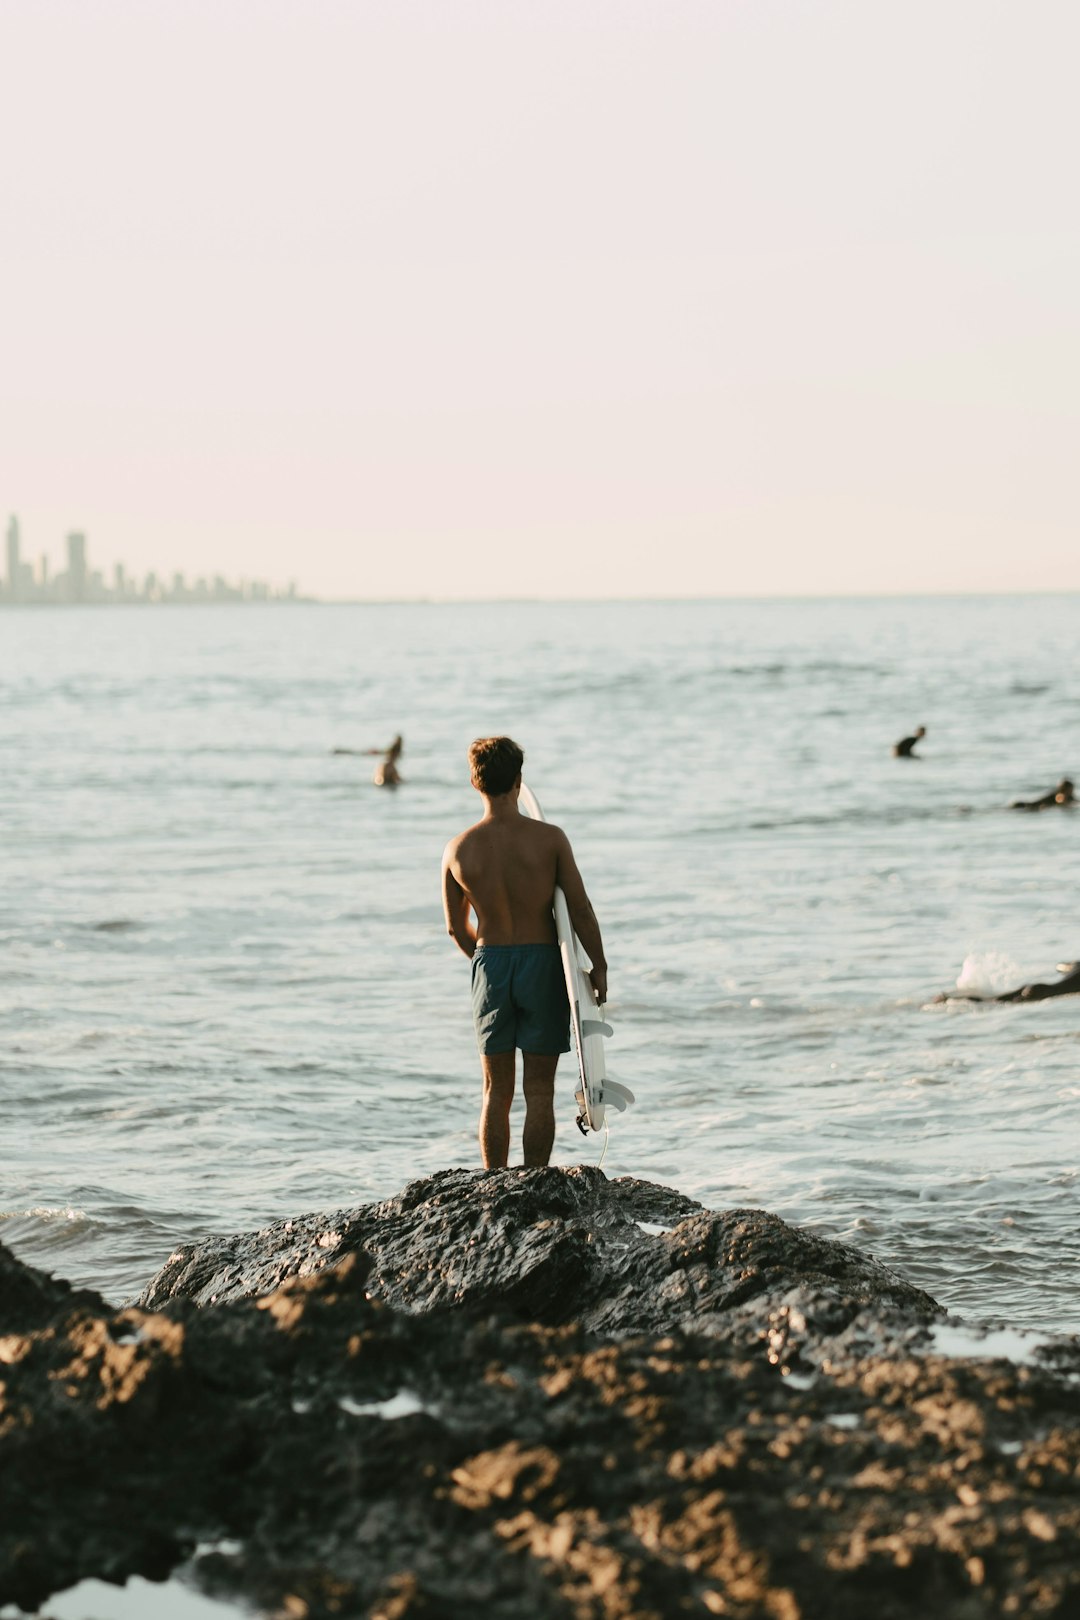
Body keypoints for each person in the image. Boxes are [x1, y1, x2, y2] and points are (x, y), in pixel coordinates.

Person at [441, 736, 607, 1170]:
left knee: (495, 1090)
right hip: (543, 964)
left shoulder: (458, 849)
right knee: (538, 1088)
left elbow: (456, 929)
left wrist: (485, 963)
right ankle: (534, 1181)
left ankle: (493, 1183)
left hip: (491, 961)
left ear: (474, 783)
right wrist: (598, 966)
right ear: (519, 780)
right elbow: (581, 908)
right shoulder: (550, 839)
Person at [935, 961, 1080, 1003]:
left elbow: (1060, 966)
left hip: (1036, 986)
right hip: (1043, 992)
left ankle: (950, 999)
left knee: (991, 1000)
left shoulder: (1077, 965)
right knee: (993, 1002)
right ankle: (952, 1000)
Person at [1008, 777, 1074, 811]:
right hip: (1032, 806)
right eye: (1071, 789)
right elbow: (1061, 801)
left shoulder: (1069, 796)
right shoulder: (1060, 795)